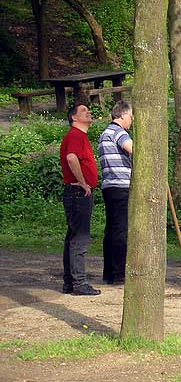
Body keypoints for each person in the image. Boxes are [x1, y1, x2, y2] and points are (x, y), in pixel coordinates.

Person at [60, 104, 101, 296]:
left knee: (73, 236)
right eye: (84, 110)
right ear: (74, 118)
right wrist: (82, 182)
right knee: (80, 237)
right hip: (78, 193)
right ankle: (79, 282)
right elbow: (71, 158)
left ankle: (70, 282)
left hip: (75, 192)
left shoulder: (79, 136)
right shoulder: (76, 135)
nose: (88, 112)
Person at [98, 101, 133, 285]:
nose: (131, 120)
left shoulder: (104, 134)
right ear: (122, 116)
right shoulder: (119, 132)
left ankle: (109, 272)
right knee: (120, 229)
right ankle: (120, 273)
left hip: (108, 185)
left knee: (111, 229)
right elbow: (133, 149)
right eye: (130, 117)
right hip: (121, 185)